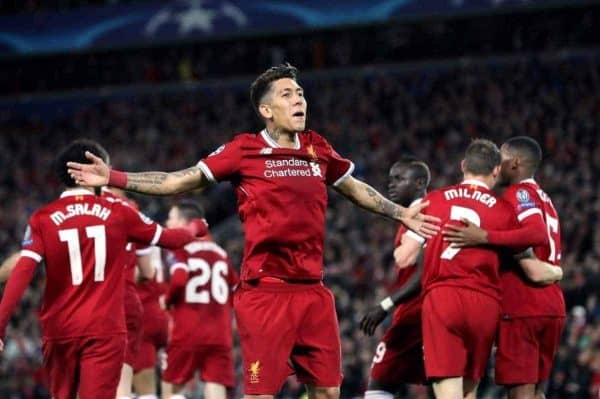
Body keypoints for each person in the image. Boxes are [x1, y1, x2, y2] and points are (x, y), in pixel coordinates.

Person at [66, 63, 439, 399]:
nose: (300, 100)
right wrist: (114, 177)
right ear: (266, 110)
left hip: (312, 291)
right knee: (261, 394)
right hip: (265, 294)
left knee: (328, 392)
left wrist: (399, 212)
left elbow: (356, 188)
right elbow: (178, 180)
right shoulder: (243, 150)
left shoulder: (317, 148)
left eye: (301, 93)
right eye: (287, 94)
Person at [0, 139, 197, 399]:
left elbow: (23, 271)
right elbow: (172, 239)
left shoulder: (42, 218)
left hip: (60, 330)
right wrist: (197, 227)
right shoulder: (119, 211)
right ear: (93, 170)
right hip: (106, 328)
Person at [395, 139, 563, 399]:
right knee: (480, 391)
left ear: (463, 165)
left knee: (451, 392)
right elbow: (533, 266)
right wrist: (557, 272)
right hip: (488, 304)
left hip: (447, 298)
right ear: (495, 170)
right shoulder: (505, 209)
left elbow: (403, 258)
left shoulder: (434, 200)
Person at [442, 136, 566, 399]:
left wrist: (484, 237)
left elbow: (536, 233)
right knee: (537, 393)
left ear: (516, 162)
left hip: (524, 307)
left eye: (503, 158)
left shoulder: (518, 194)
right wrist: (556, 272)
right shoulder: (546, 199)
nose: (496, 164)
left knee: (520, 393)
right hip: (551, 305)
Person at [360, 157, 431, 399]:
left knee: (379, 384)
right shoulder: (411, 215)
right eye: (390, 179)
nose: (391, 185)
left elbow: (426, 271)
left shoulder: (424, 214)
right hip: (428, 313)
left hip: (415, 314)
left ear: (420, 182)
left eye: (399, 179)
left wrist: (386, 304)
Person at [161, 200, 238, 399]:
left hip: (188, 327)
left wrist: (167, 300)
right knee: (215, 382)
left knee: (173, 382)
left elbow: (179, 279)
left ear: (184, 222)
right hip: (220, 332)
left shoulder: (182, 249)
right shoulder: (221, 253)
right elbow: (235, 288)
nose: (167, 224)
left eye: (171, 219)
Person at [131, 246, 169, 399]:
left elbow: (140, 273)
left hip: (140, 314)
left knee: (123, 385)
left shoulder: (129, 233)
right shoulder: (155, 239)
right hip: (159, 311)